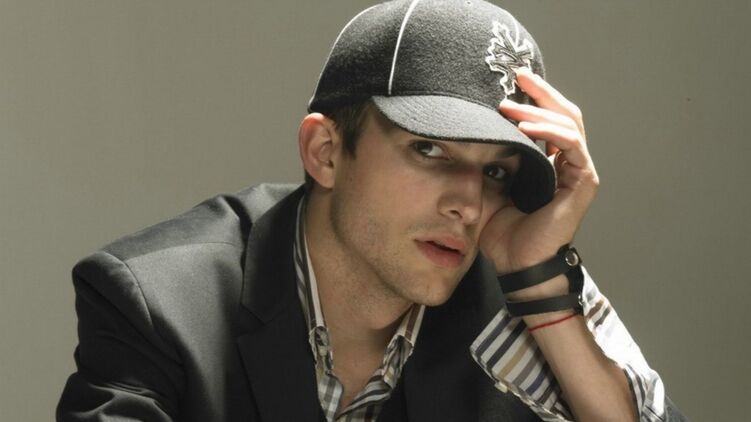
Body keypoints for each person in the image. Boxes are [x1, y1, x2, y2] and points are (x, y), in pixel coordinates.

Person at [57, 0, 687, 421]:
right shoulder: (159, 302)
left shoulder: (517, 280)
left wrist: (544, 290)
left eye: (496, 171)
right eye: (429, 149)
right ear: (326, 152)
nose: (469, 205)